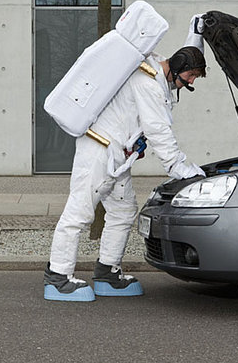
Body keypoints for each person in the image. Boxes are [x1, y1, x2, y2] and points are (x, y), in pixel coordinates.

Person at [44, 45, 208, 302]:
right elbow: (159, 132)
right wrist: (181, 169)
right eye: (191, 76)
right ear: (178, 67)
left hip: (117, 154)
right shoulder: (149, 83)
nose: (191, 82)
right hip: (99, 151)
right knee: (80, 210)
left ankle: (107, 272)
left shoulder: (156, 76)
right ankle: (58, 277)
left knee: (123, 210)